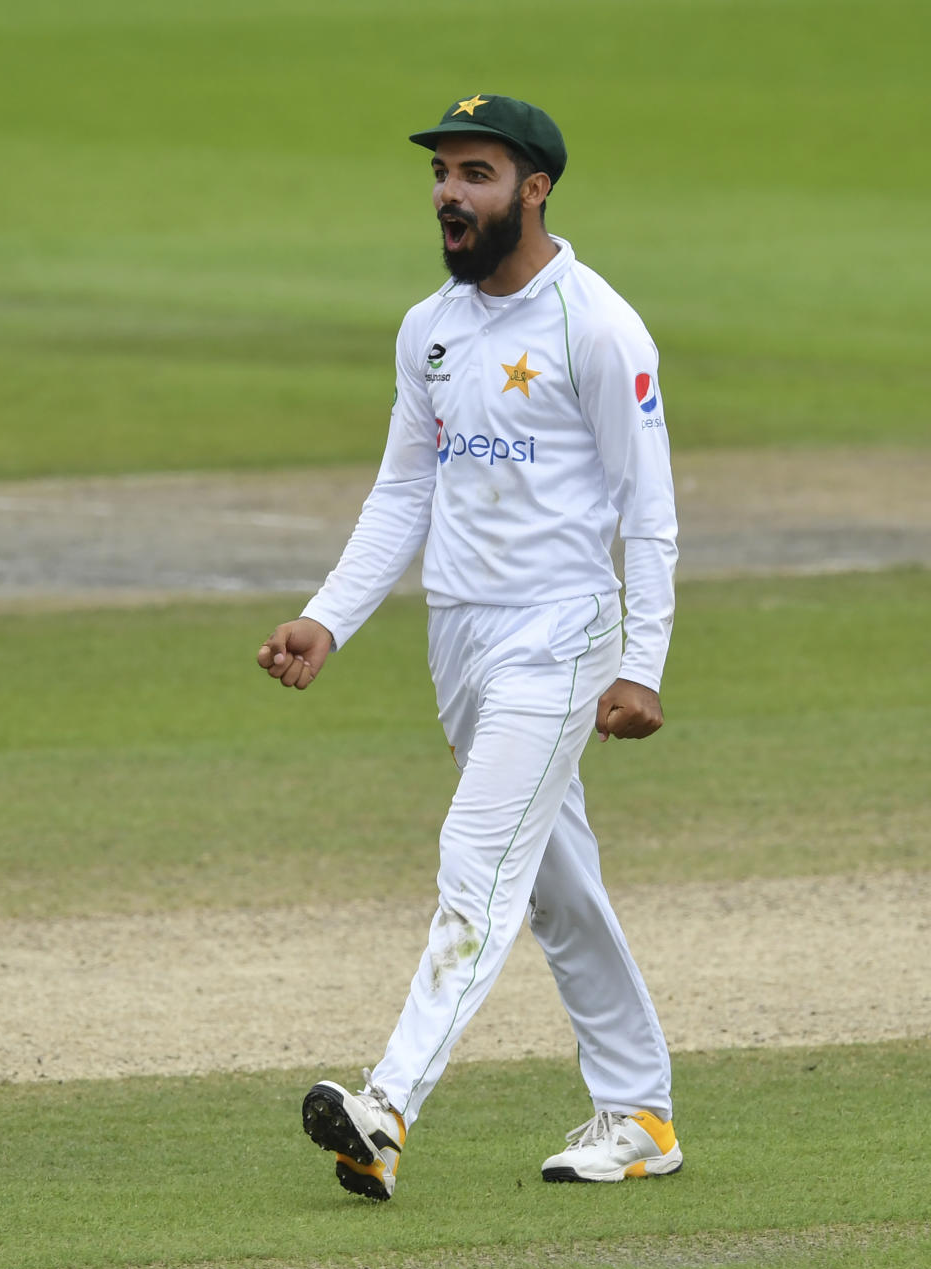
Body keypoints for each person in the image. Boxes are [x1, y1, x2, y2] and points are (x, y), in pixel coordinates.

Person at [257, 93, 682, 1201]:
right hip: (461, 633)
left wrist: (643, 663)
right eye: (443, 172)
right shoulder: (430, 327)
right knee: (553, 883)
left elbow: (649, 511)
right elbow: (406, 489)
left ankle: (385, 1106)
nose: (450, 192)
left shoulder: (596, 324)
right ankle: (639, 1111)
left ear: (533, 188)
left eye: (476, 172)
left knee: (478, 860)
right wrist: (329, 614)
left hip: (563, 630)